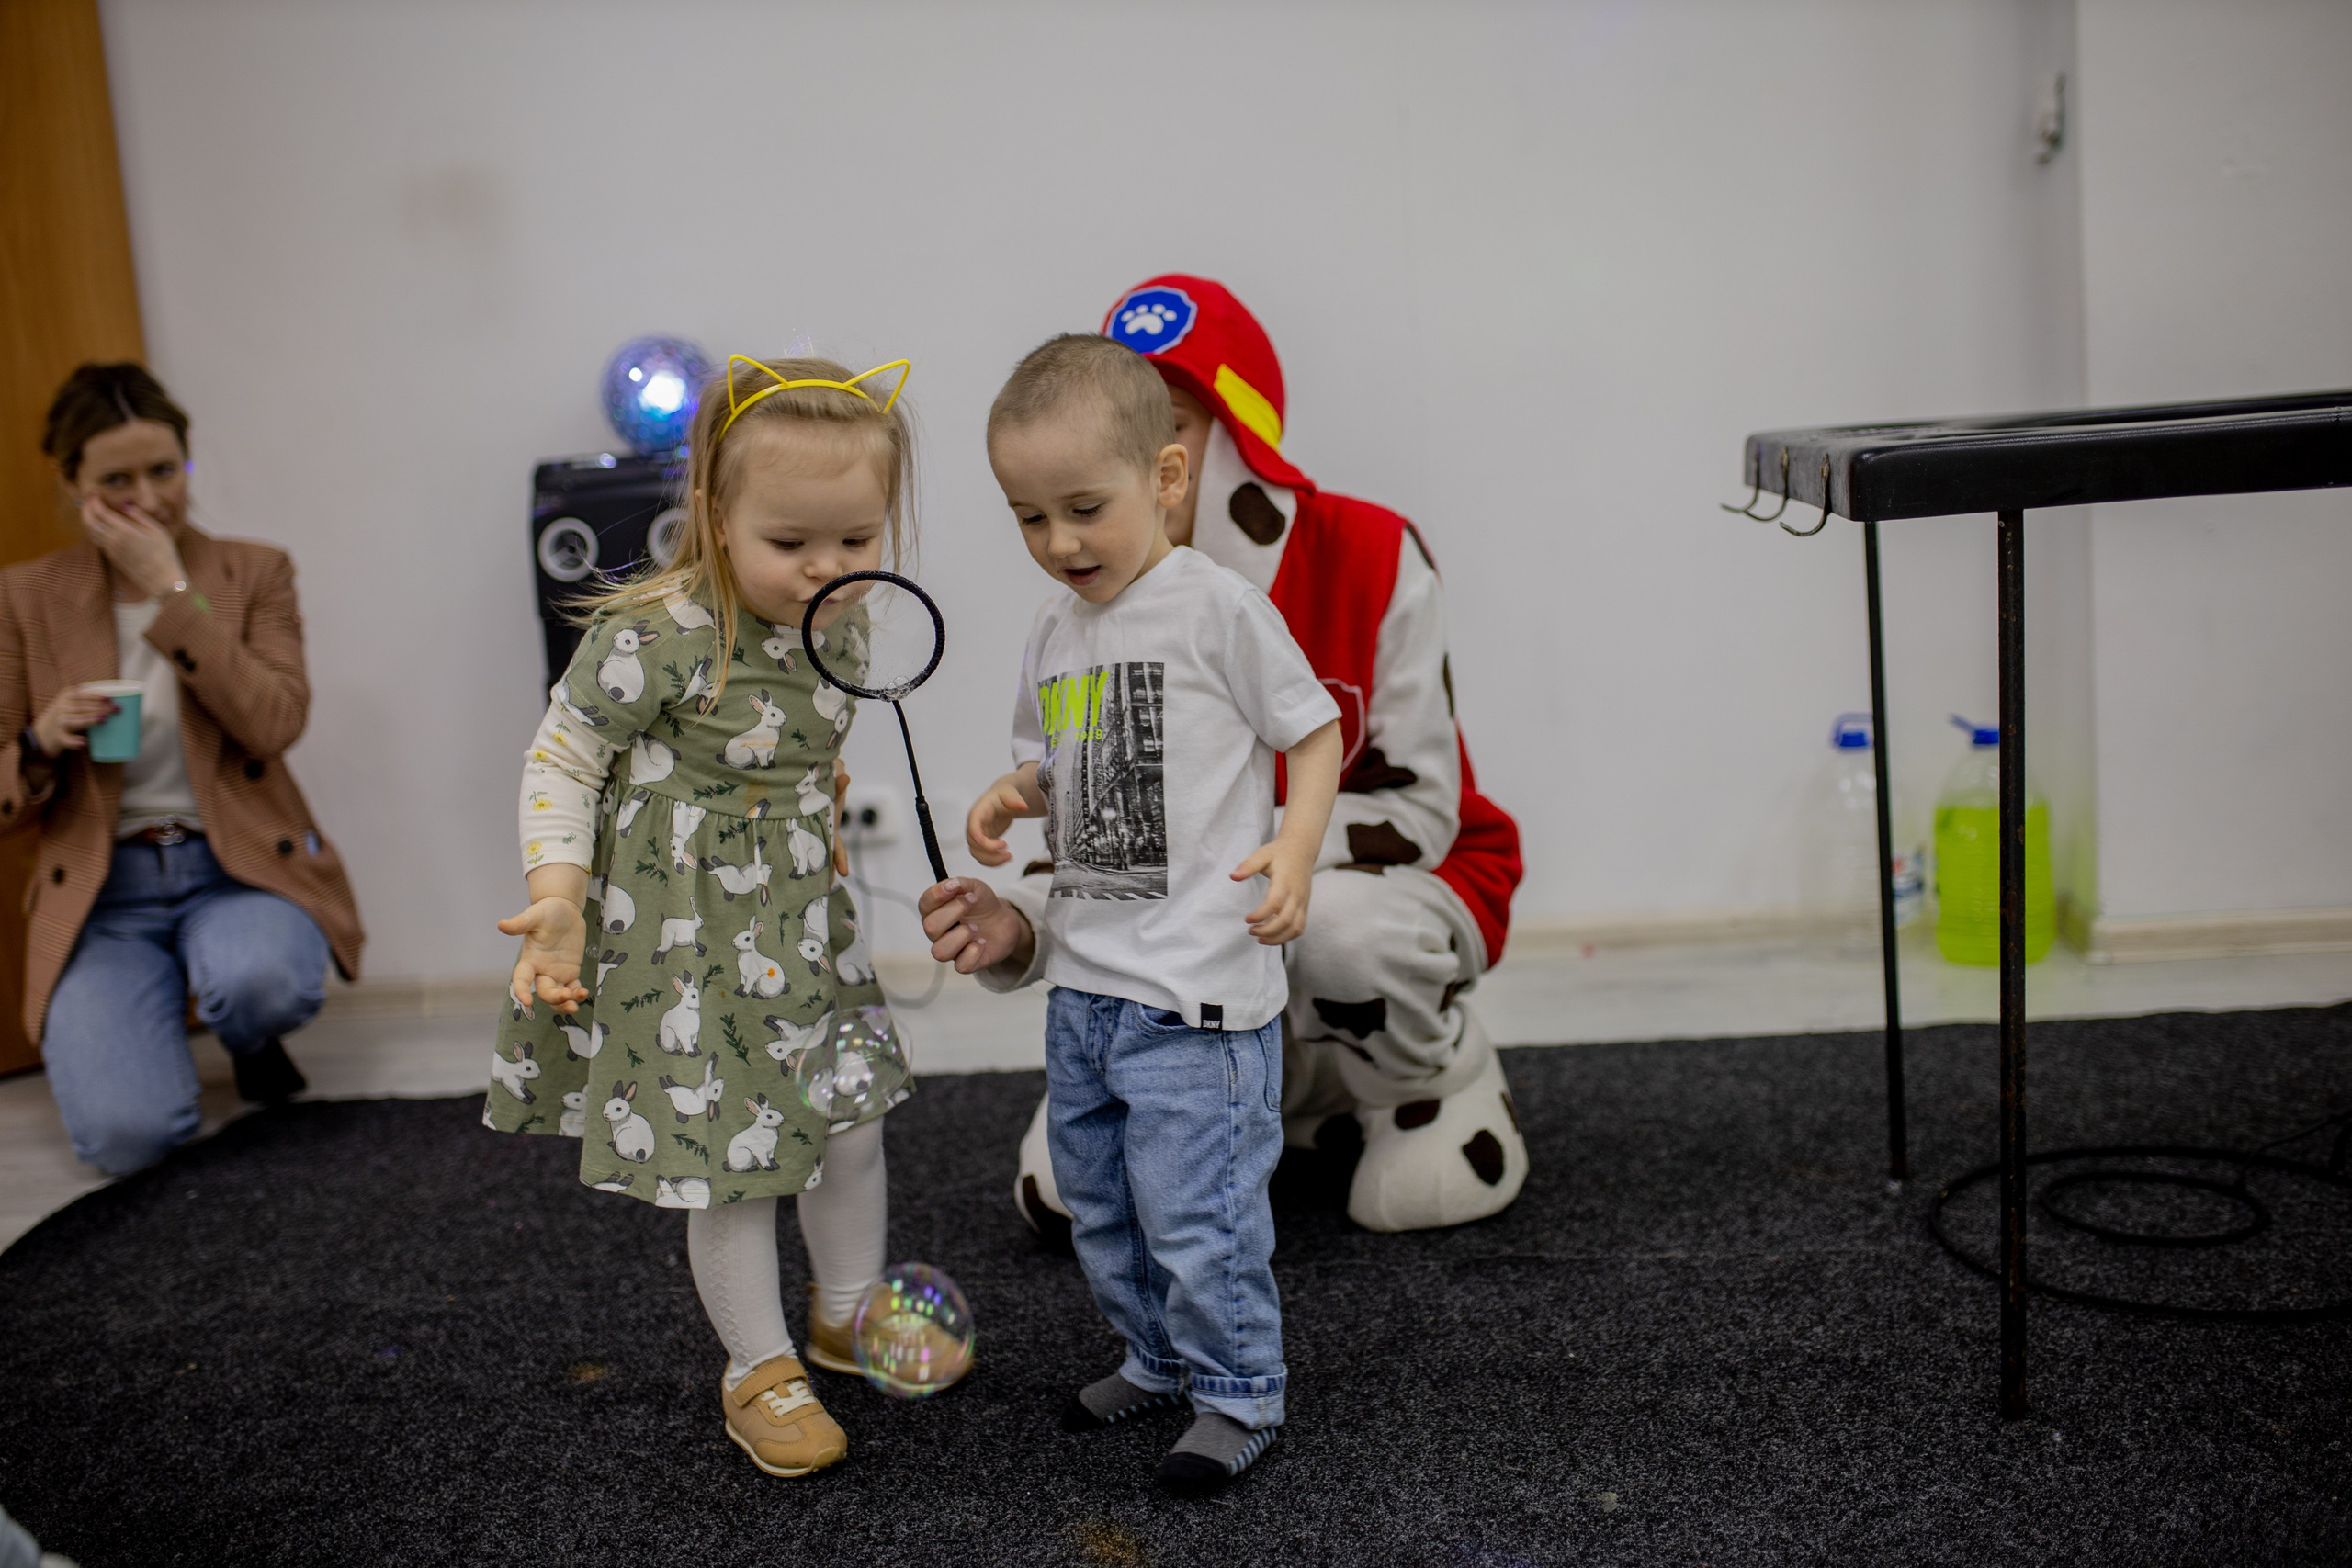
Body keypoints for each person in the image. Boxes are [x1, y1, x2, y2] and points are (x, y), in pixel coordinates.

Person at [927, 276, 1527, 1235]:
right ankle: (1258, 1090)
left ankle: (1424, 1077)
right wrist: (1023, 921)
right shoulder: (1079, 618)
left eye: (1169, 424)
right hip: (1170, 946)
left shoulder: (1370, 553)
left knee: (1338, 929)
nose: (1063, 532)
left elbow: (1421, 809)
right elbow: (1104, 835)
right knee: (1071, 1197)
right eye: (1034, 513)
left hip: (1351, 887)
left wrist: (1246, 857)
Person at [491, 355, 933, 1479]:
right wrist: (555, 901)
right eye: (791, 544)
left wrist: (817, 816)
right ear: (713, 516)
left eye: (857, 540)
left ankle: (844, 1312)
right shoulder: (656, 632)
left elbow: (803, 751)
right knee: (728, 1153)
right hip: (679, 925)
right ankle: (756, 1364)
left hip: (798, 912)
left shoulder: (847, 622)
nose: (827, 568)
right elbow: (563, 756)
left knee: (849, 1120)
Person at [962, 333, 1341, 1494]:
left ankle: (1239, 1391)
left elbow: (1314, 731)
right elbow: (1058, 766)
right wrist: (1010, 794)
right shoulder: (1054, 632)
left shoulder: (1214, 608)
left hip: (1197, 990)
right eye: (1029, 518)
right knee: (1102, 1204)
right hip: (1088, 984)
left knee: (1200, 1213)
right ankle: (1158, 1358)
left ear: (1166, 479)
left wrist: (1294, 846)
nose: (1059, 543)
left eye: (1083, 507)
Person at [0, 363, 364, 1176]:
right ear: (72, 483)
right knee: (128, 1139)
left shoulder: (252, 571)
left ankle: (248, 1031)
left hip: (232, 866)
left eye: (164, 471)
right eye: (116, 479)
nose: (149, 498)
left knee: (260, 982)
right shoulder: (26, 597)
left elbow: (275, 721)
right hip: (104, 893)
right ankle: (152, 1016)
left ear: (187, 462)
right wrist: (36, 740)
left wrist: (168, 587)